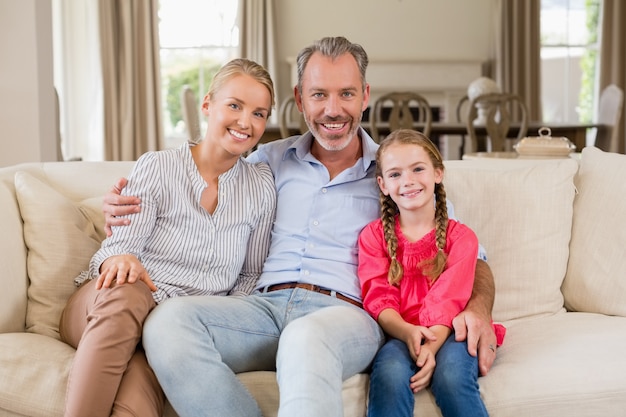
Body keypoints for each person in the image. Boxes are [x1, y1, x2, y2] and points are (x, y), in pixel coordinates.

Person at [103, 36, 499, 417]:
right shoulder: (266, 161)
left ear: (365, 95)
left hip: (344, 316)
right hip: (260, 308)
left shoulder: (396, 172)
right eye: (319, 95)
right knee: (168, 323)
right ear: (299, 99)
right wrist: (126, 204)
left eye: (346, 93)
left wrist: (479, 308)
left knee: (304, 337)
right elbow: (201, 184)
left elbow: (466, 253)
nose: (333, 109)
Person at [58, 58, 277, 417]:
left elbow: (251, 274)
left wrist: (210, 321)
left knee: (143, 389)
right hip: (107, 307)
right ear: (208, 105)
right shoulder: (159, 167)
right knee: (129, 289)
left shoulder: (261, 186)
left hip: (174, 328)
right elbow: (118, 250)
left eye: (258, 113)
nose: (245, 122)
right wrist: (123, 257)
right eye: (234, 105)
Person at [358, 129, 505, 417]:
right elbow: (378, 298)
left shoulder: (461, 238)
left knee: (451, 376)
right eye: (395, 174)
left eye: (418, 169)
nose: (408, 181)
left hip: (451, 332)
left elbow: (448, 299)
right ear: (383, 184)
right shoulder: (373, 237)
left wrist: (431, 347)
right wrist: (409, 333)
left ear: (438, 173)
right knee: (388, 374)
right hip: (400, 333)